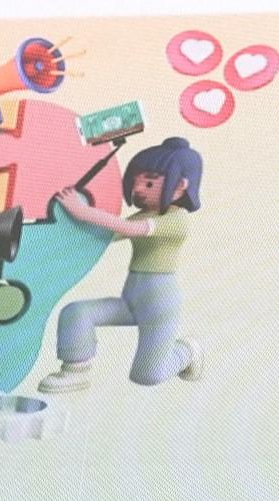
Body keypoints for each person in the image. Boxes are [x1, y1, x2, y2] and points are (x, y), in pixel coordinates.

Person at [42, 138, 206, 393]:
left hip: (159, 305)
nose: (139, 189)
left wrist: (83, 211)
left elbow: (127, 228)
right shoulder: (147, 214)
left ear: (181, 186)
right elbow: (109, 235)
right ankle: (75, 370)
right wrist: (65, 228)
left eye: (149, 182)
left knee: (147, 375)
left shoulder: (177, 220)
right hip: (132, 300)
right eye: (137, 181)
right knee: (77, 312)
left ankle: (187, 351)